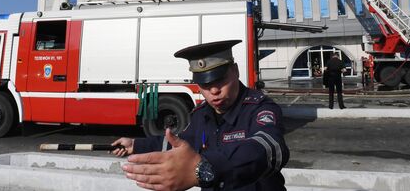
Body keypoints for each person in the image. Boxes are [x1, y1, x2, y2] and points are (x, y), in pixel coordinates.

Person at [111, 39, 290, 191]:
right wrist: (135, 144)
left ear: (235, 71)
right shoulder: (200, 115)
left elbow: (270, 149)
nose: (213, 90)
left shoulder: (260, 107)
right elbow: (178, 142)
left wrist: (205, 169)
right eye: (205, 85)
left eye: (220, 80)